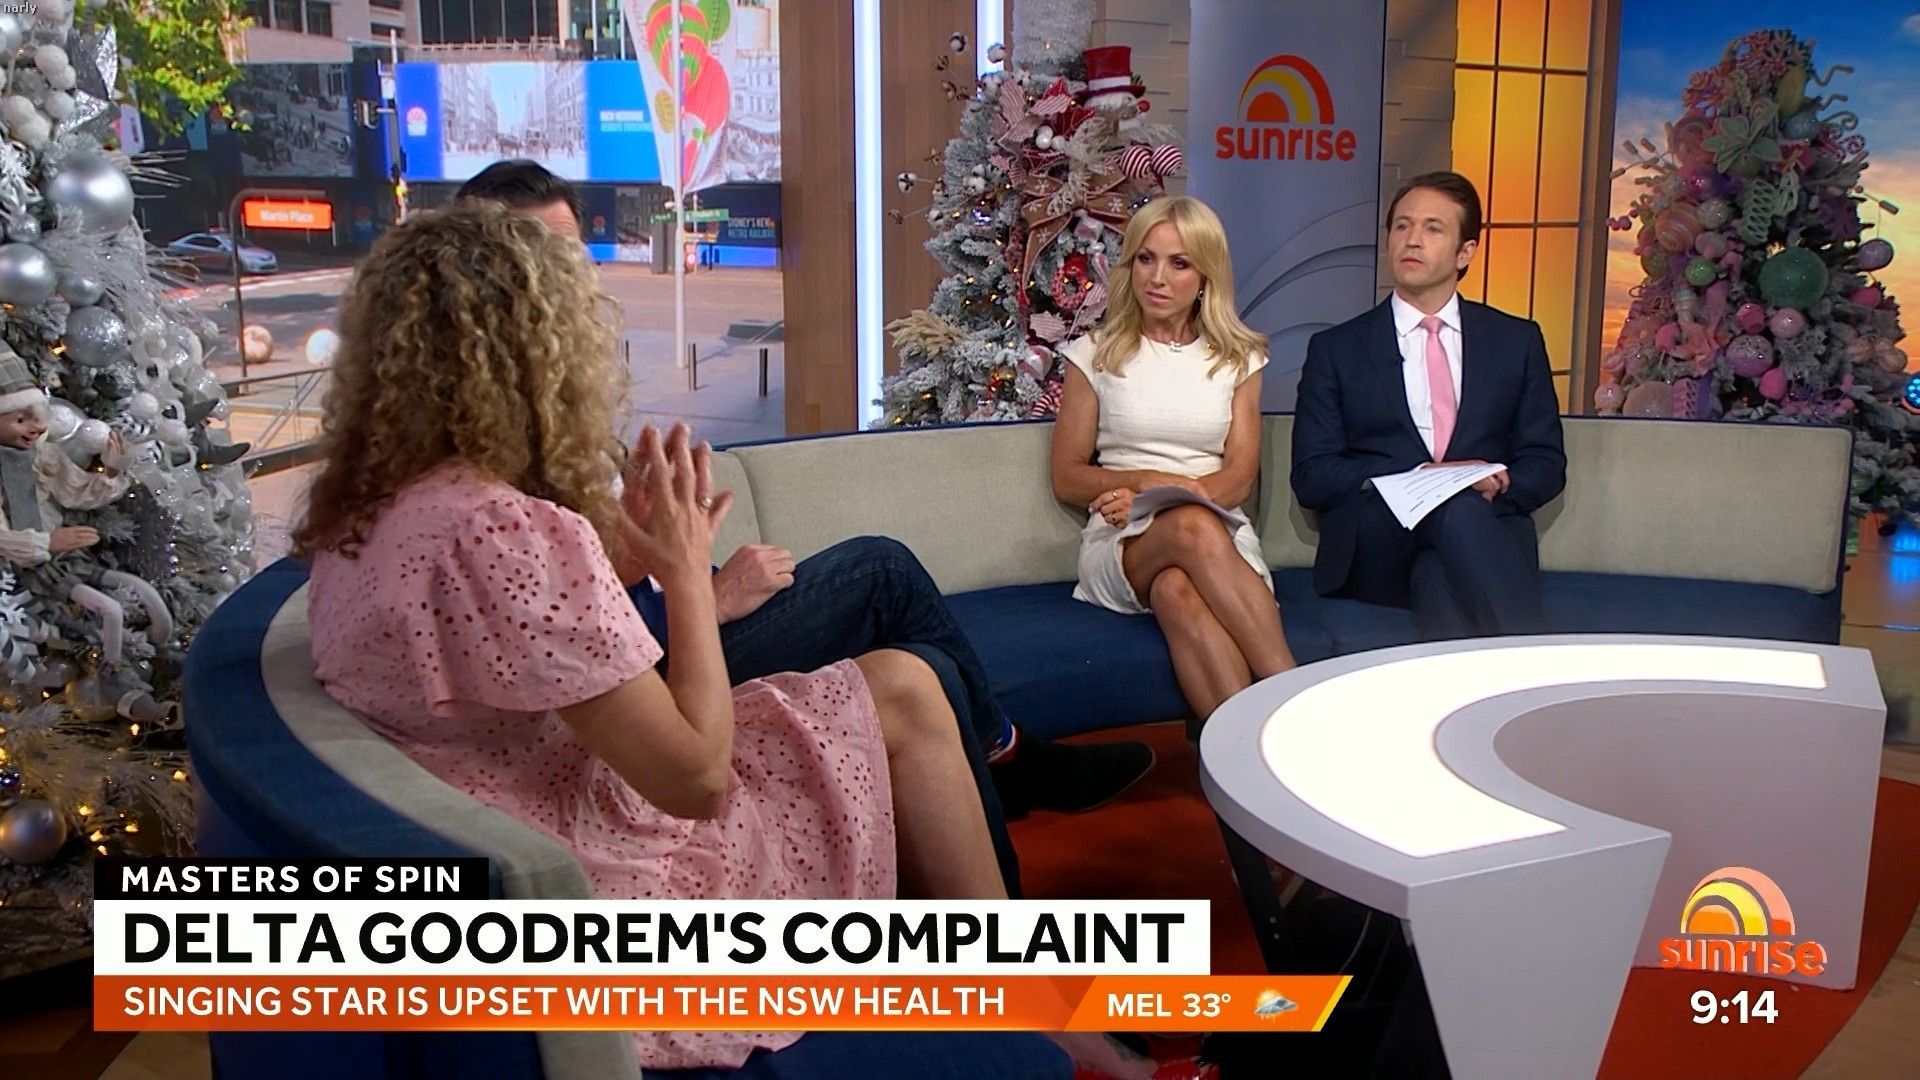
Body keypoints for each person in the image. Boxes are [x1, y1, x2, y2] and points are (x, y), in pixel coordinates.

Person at [295, 206, 1013, 1070]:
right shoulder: (500, 526)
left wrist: (626, 555)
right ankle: (1029, 1015)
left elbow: (509, 648)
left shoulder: (364, 514)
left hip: (521, 816)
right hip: (598, 872)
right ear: (534, 356)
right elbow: (695, 781)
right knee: (905, 684)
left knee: (902, 680)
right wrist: (685, 577)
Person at [454, 160, 1157, 838]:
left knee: (936, 669)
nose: (570, 282)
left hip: (685, 611)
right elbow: (585, 637)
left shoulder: (554, 411)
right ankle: (1015, 761)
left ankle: (998, 811)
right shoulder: (484, 474)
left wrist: (669, 554)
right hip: (668, 660)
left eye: (573, 256)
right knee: (880, 570)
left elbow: (611, 576)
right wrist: (707, 595)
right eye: (539, 260)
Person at [1050, 195, 1296, 724]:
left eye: (1179, 263)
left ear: (1205, 277)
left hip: (1220, 534)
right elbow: (1067, 476)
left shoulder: (1240, 360)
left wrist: (1178, 497)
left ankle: (1240, 750)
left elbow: (1239, 479)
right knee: (1189, 527)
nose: (1157, 278)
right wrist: (1145, 483)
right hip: (1122, 538)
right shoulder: (1094, 353)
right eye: (1146, 258)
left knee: (1176, 588)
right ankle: (1294, 698)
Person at [1290, 171, 1566, 638]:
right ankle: (1536, 659)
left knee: (1439, 575)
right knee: (1454, 508)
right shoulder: (1337, 349)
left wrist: (1493, 483)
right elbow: (1313, 475)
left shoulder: (1516, 341)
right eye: (1402, 226)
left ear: (1465, 252)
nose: (1412, 240)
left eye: (1432, 228)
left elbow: (1546, 463)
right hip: (1381, 538)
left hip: (1481, 533)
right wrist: (1423, 479)